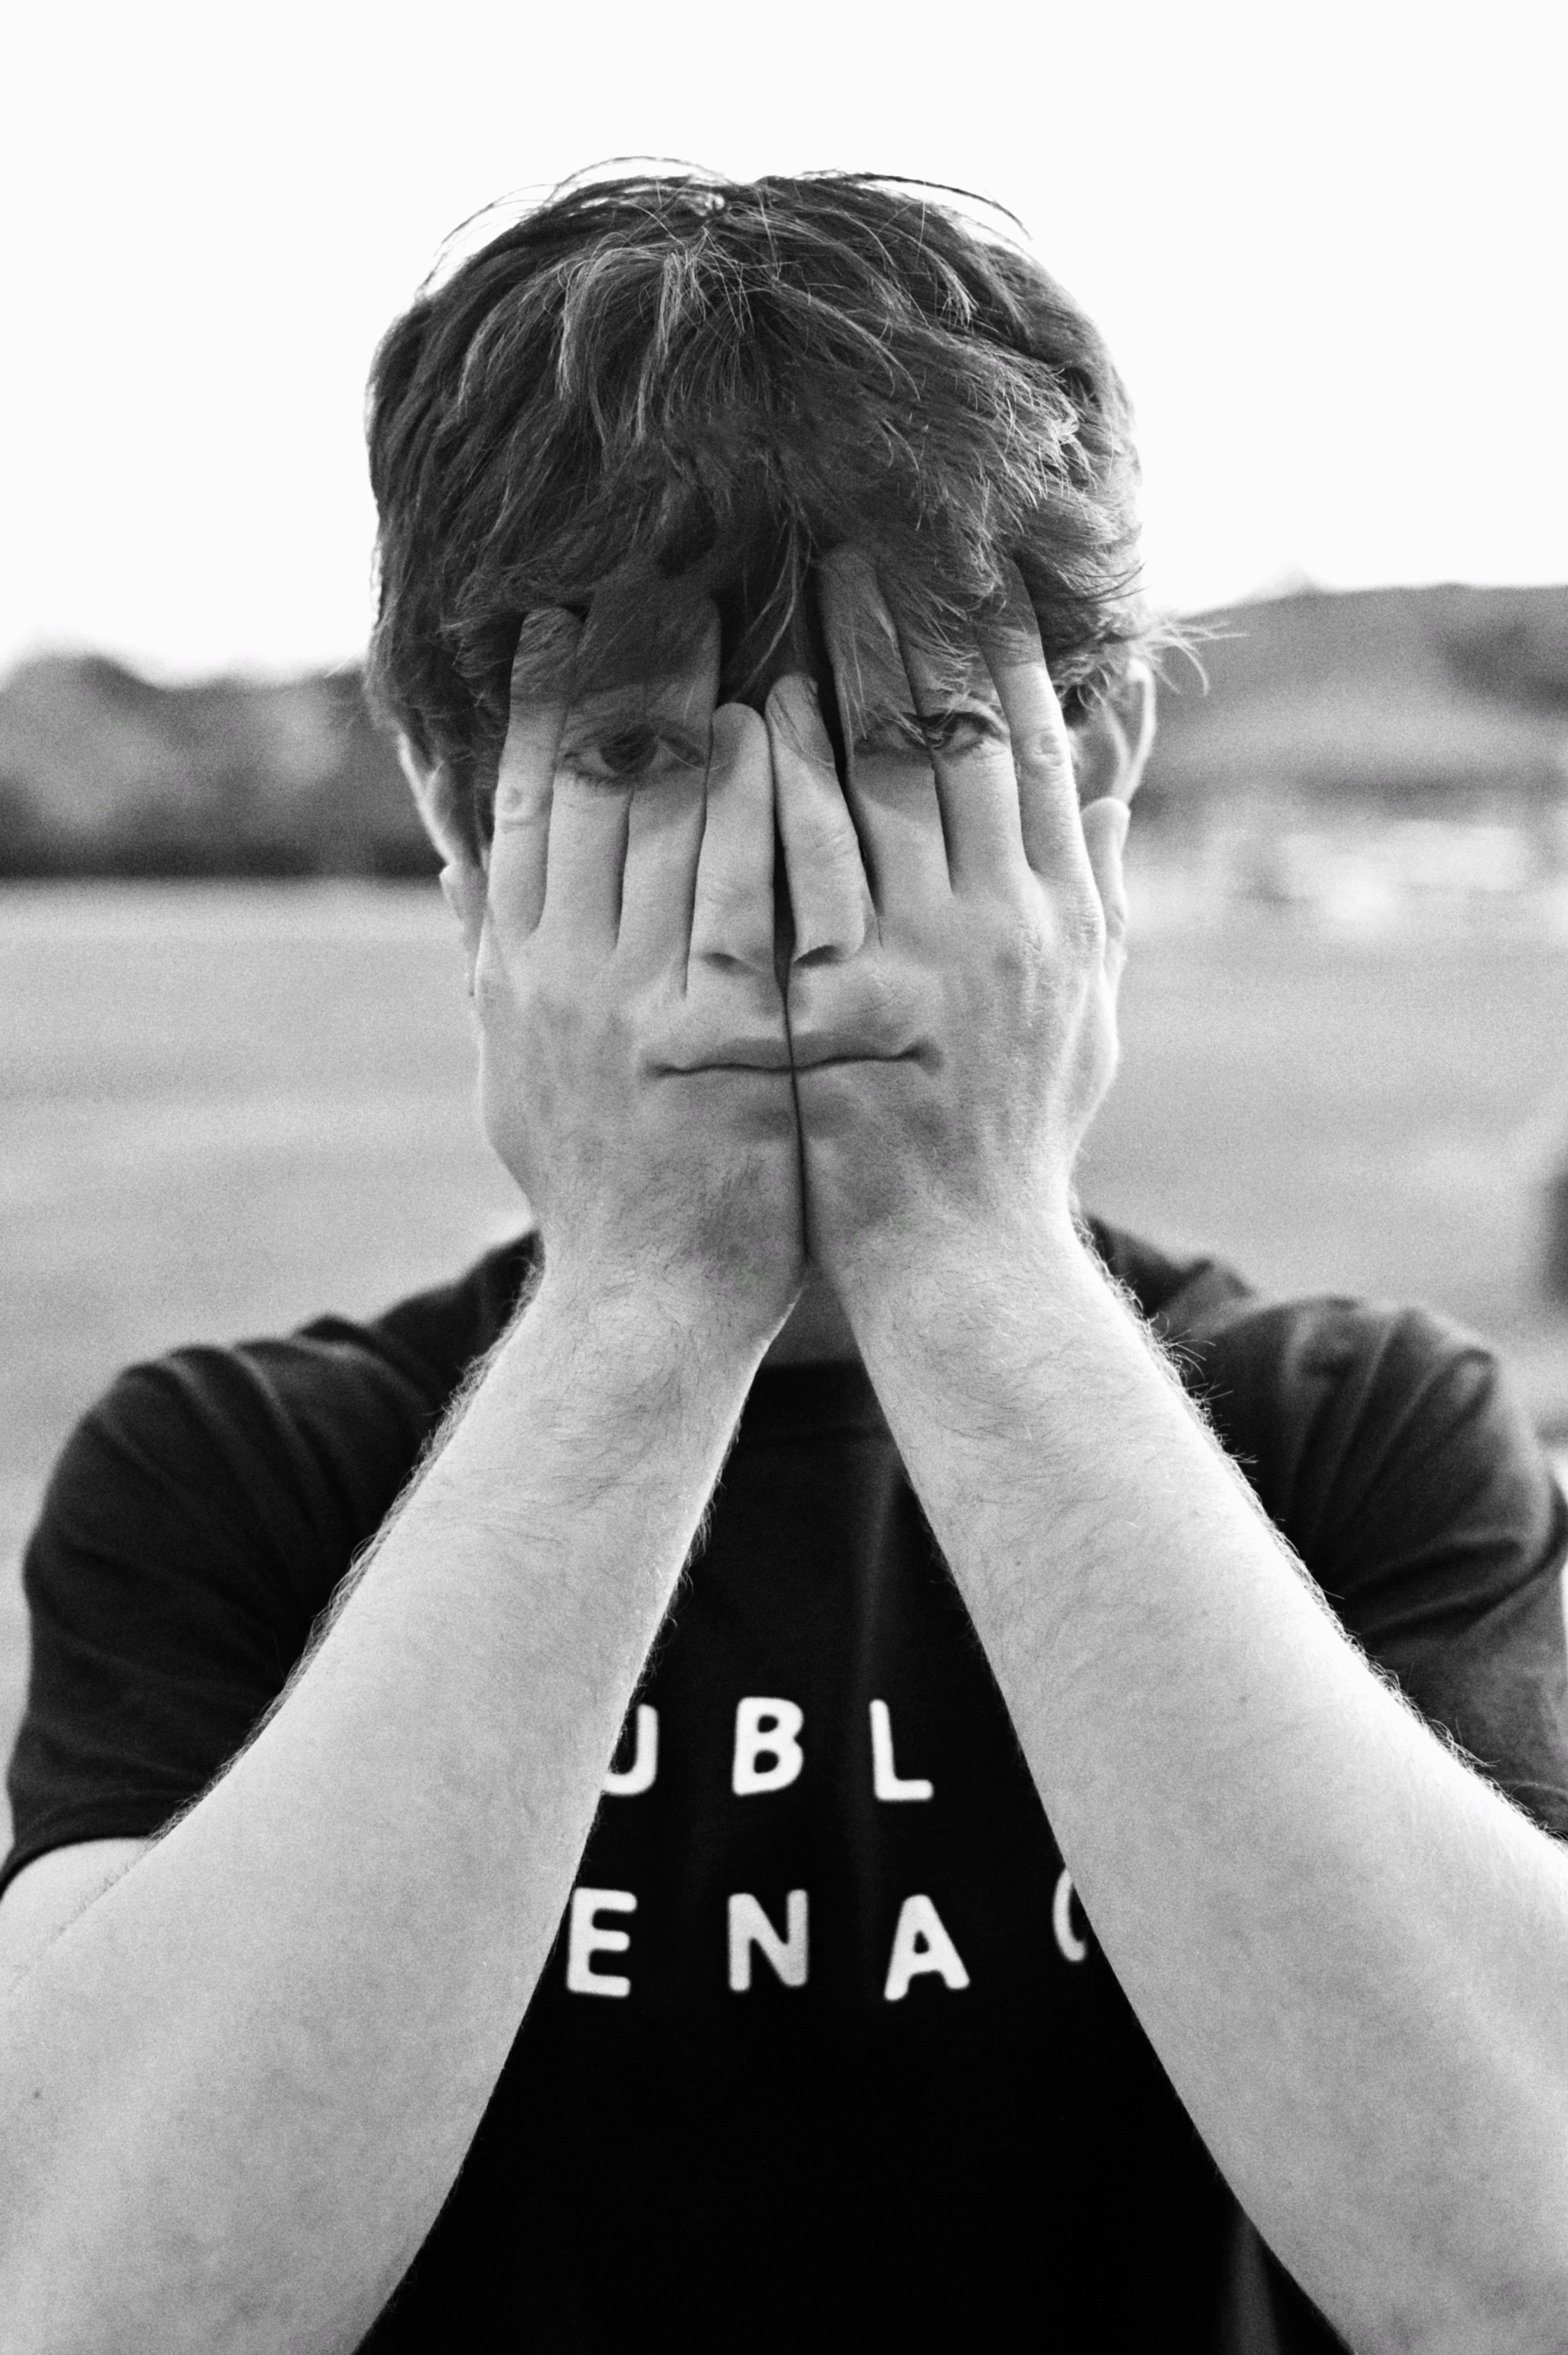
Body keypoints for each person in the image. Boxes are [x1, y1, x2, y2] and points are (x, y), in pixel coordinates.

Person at [1, 171, 1566, 2355]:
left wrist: (967, 1244)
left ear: (1090, 773)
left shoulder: (1358, 1437)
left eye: (914, 742)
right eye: (642, 755)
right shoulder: (240, 1478)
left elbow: (1514, 2275)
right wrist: (644, 1296)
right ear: (464, 823)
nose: (790, 884)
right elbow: (99, 2310)